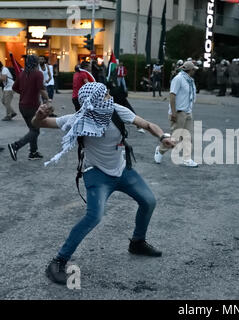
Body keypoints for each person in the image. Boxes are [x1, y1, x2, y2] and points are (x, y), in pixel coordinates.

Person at [30, 82, 175, 285]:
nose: (110, 98)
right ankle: (58, 261)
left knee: (149, 201)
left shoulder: (116, 110)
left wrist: (163, 136)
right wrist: (39, 115)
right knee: (94, 216)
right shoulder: (79, 120)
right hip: (96, 174)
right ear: (94, 102)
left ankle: (138, 242)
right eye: (106, 96)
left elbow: (148, 125)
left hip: (122, 170)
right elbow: (40, 124)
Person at [154, 61, 199, 167]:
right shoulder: (178, 79)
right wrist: (173, 112)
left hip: (187, 111)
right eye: (194, 69)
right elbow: (172, 95)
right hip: (178, 112)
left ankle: (187, 159)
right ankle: (160, 150)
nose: (195, 71)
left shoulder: (190, 81)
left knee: (189, 137)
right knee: (175, 138)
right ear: (189, 70)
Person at [7, 55, 50, 161]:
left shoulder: (22, 74)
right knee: (35, 131)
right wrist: (48, 100)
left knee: (33, 129)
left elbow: (14, 87)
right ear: (36, 63)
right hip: (32, 106)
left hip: (22, 106)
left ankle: (33, 152)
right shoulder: (38, 74)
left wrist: (25, 92)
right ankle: (16, 146)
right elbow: (42, 89)